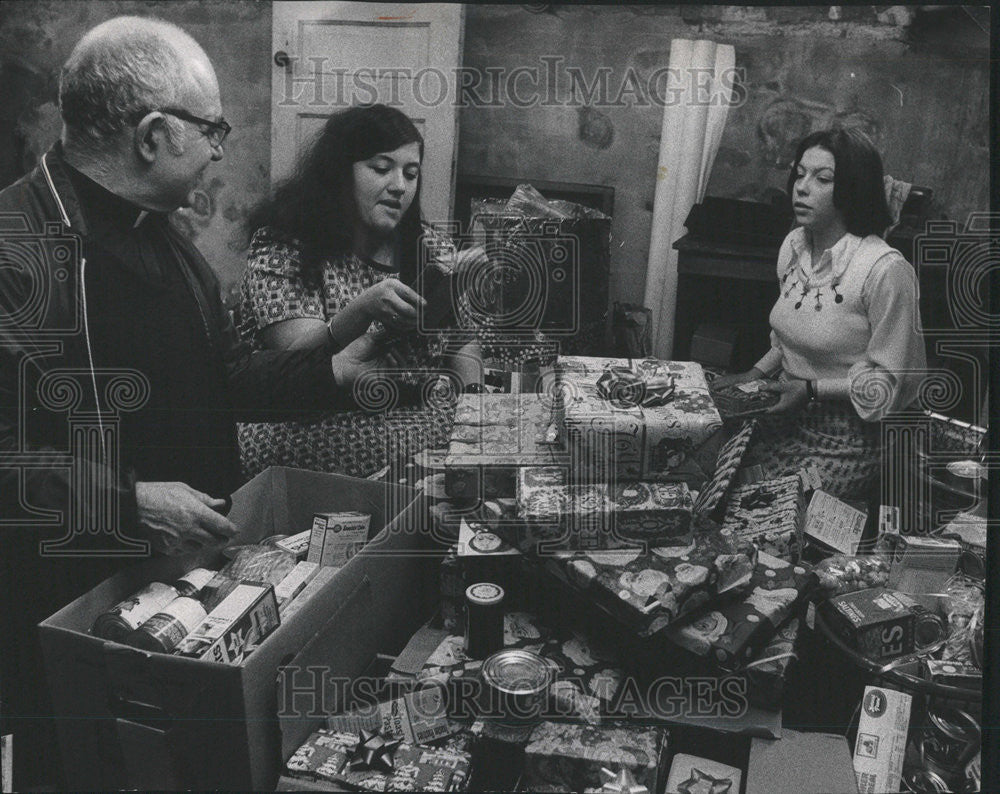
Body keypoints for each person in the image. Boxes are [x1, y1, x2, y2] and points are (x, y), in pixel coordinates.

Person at [0, 17, 389, 788]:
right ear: (153, 134)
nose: (221, 147)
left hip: (176, 585)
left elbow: (221, 377)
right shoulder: (18, 248)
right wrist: (127, 502)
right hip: (65, 604)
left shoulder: (168, 237)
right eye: (211, 128)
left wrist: (331, 366)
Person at [236, 104, 483, 478]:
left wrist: (474, 414)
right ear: (340, 173)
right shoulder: (285, 246)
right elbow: (291, 360)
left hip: (424, 436)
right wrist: (363, 309)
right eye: (381, 169)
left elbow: (462, 344)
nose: (400, 186)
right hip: (317, 439)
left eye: (411, 173)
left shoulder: (431, 246)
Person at [713, 128, 925, 503]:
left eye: (822, 178)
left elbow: (890, 384)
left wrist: (811, 389)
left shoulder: (885, 270)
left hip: (847, 436)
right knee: (708, 482)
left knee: (755, 509)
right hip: (785, 414)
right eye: (800, 173)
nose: (802, 187)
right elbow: (791, 337)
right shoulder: (794, 245)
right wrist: (755, 373)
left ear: (853, 189)